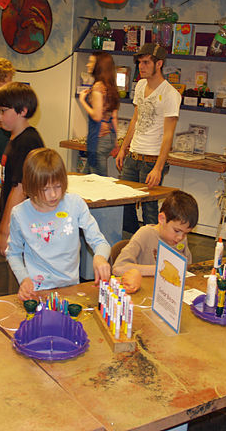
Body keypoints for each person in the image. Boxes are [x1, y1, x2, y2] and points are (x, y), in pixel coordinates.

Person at [7, 148, 112, 301]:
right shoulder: (20, 213)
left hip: (71, 288)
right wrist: (24, 279)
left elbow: (100, 242)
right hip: (37, 291)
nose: (54, 195)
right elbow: (13, 253)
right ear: (32, 186)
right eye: (45, 189)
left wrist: (100, 258)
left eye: (58, 186)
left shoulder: (75, 204)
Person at [115, 42, 181, 233]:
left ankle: (153, 249)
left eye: (145, 63)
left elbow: (168, 134)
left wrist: (158, 168)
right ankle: (130, 243)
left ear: (159, 64)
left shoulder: (170, 94)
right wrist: (123, 149)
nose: (141, 67)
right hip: (133, 156)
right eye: (139, 63)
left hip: (151, 160)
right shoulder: (141, 85)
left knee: (149, 208)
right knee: (125, 202)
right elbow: (135, 119)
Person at [0, 82, 45, 295]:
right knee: (3, 278)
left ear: (22, 111)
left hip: (20, 229)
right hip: (14, 226)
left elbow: (20, 189)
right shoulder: (13, 138)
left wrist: (5, 231)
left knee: (16, 285)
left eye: (3, 111)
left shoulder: (27, 142)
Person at [112, 190, 198, 293]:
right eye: (177, 231)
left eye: (186, 233)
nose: (180, 237)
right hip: (143, 293)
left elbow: (187, 268)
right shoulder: (145, 234)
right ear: (162, 219)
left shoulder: (180, 238)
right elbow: (118, 268)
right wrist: (159, 270)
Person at [77, 52, 119, 176]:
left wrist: (82, 101)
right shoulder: (110, 86)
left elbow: (97, 116)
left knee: (98, 181)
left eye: (91, 62)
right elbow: (114, 116)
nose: (87, 64)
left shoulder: (97, 87)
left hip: (99, 139)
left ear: (99, 66)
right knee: (85, 177)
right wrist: (116, 141)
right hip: (109, 137)